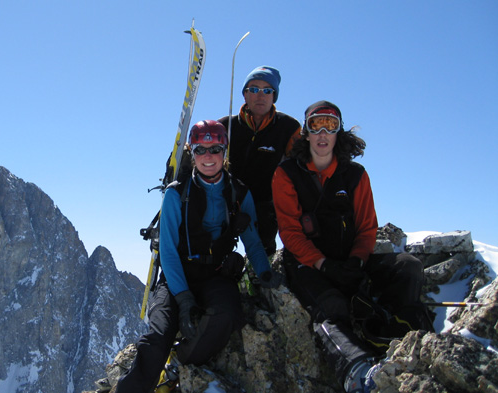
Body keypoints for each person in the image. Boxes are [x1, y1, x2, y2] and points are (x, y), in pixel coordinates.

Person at [271, 101, 434, 393]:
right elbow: (291, 233)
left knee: (408, 267)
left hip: (349, 260)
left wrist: (357, 262)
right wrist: (324, 265)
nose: (323, 133)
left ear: (338, 132)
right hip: (306, 264)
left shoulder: (355, 174)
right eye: (316, 125)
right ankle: (358, 371)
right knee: (332, 306)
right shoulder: (286, 175)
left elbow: (367, 227)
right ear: (305, 133)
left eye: (330, 126)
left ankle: (400, 333)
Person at [114, 120, 278, 393]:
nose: (208, 156)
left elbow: (252, 240)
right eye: (201, 150)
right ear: (192, 154)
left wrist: (265, 271)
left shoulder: (238, 193)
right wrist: (183, 296)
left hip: (215, 275)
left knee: (226, 316)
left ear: (224, 151)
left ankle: (179, 362)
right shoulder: (175, 194)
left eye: (215, 149)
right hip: (177, 274)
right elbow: (167, 250)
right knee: (157, 336)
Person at [218, 65, 301, 257]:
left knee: (262, 252)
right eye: (253, 89)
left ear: (274, 96)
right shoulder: (224, 125)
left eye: (267, 90)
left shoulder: (288, 128)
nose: (260, 95)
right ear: (245, 94)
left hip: (266, 205)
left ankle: (261, 275)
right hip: (225, 200)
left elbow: (301, 166)